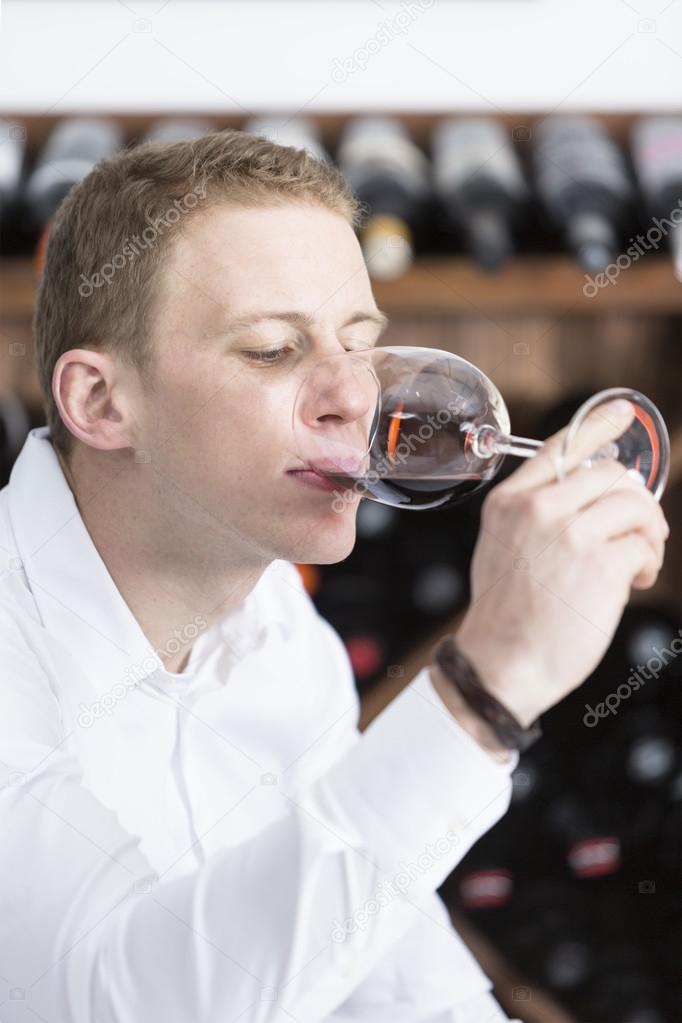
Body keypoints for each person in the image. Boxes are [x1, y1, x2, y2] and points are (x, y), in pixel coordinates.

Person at [0, 130, 668, 1023]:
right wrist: (484, 690)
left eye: (358, 344)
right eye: (274, 349)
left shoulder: (274, 616)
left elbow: (395, 977)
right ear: (99, 402)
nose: (355, 399)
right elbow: (124, 998)